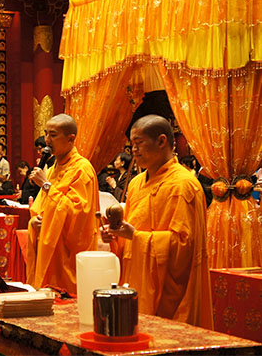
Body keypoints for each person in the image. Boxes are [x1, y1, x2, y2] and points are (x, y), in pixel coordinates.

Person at [101, 115, 213, 329]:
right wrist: (115, 238)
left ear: (162, 141)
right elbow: (129, 241)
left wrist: (135, 236)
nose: (133, 151)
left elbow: (184, 246)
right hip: (137, 281)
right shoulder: (135, 184)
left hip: (171, 293)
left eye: (139, 143)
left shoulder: (183, 185)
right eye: (132, 145)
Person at [27, 114, 99, 295]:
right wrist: (34, 221)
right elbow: (40, 208)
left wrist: (46, 186)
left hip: (67, 256)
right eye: (46, 134)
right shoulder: (52, 170)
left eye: (53, 135)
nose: (47, 141)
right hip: (48, 247)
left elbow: (78, 215)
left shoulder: (82, 169)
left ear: (70, 138)